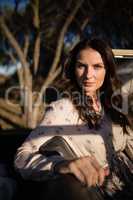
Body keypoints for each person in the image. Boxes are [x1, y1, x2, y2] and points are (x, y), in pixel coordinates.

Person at [14, 38, 133, 200]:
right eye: (81, 66)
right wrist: (62, 165)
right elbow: (22, 157)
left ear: (108, 70)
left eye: (97, 66)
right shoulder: (63, 108)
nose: (88, 75)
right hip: (101, 193)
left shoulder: (113, 103)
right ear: (73, 69)